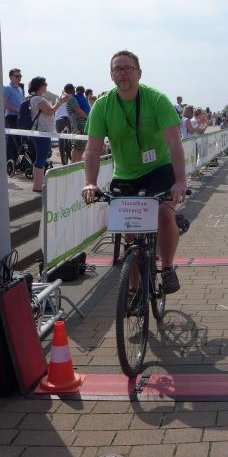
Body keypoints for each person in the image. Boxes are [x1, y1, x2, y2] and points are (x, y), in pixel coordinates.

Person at [81, 50, 187, 295]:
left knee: (164, 215)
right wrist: (90, 182)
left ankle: (167, 268)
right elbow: (93, 149)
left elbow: (174, 144)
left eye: (128, 69)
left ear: (139, 73)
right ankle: (133, 291)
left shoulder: (157, 100)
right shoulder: (102, 106)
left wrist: (180, 181)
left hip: (159, 170)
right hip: (126, 174)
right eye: (117, 69)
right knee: (130, 233)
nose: (123, 74)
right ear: (111, 75)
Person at [27, 77, 70, 192]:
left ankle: (39, 184)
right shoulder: (37, 99)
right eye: (45, 84)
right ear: (40, 86)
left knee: (41, 158)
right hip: (42, 132)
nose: (46, 86)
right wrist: (59, 102)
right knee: (41, 158)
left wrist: (57, 103)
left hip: (41, 132)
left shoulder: (35, 98)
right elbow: (50, 111)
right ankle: (37, 186)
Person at [3, 68, 25, 165]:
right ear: (11, 77)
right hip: (11, 117)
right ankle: (10, 163)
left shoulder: (20, 89)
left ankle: (13, 163)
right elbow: (4, 103)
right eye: (17, 76)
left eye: (20, 76)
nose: (19, 78)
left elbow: (23, 103)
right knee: (14, 140)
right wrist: (17, 110)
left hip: (19, 118)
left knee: (14, 140)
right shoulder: (7, 88)